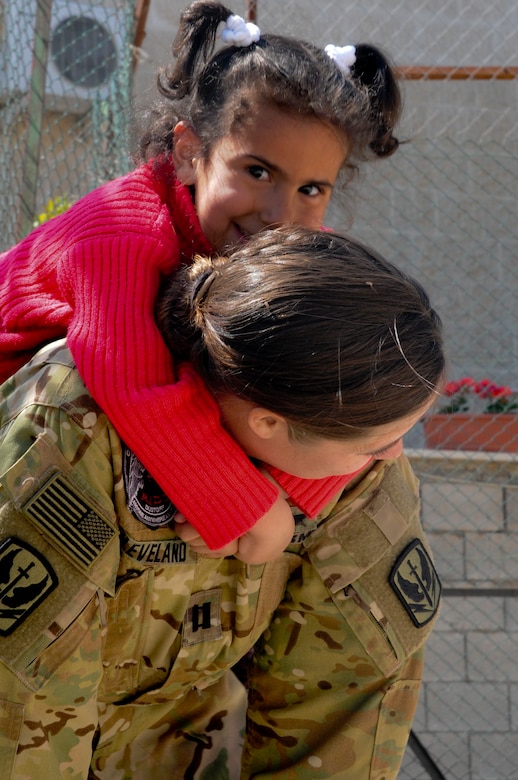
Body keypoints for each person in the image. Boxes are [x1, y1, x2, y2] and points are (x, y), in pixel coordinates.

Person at [0, 226, 443, 779]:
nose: (393, 455)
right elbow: (22, 704)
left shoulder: (354, 452)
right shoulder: (74, 432)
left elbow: (346, 704)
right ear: (268, 422)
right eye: (375, 444)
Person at [0, 1, 402, 563]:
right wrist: (248, 507)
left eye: (312, 189)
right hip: (18, 416)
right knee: (86, 373)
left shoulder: (284, 249)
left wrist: (304, 486)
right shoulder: (118, 229)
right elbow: (136, 384)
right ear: (190, 153)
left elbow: (355, 371)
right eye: (257, 172)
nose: (280, 213)